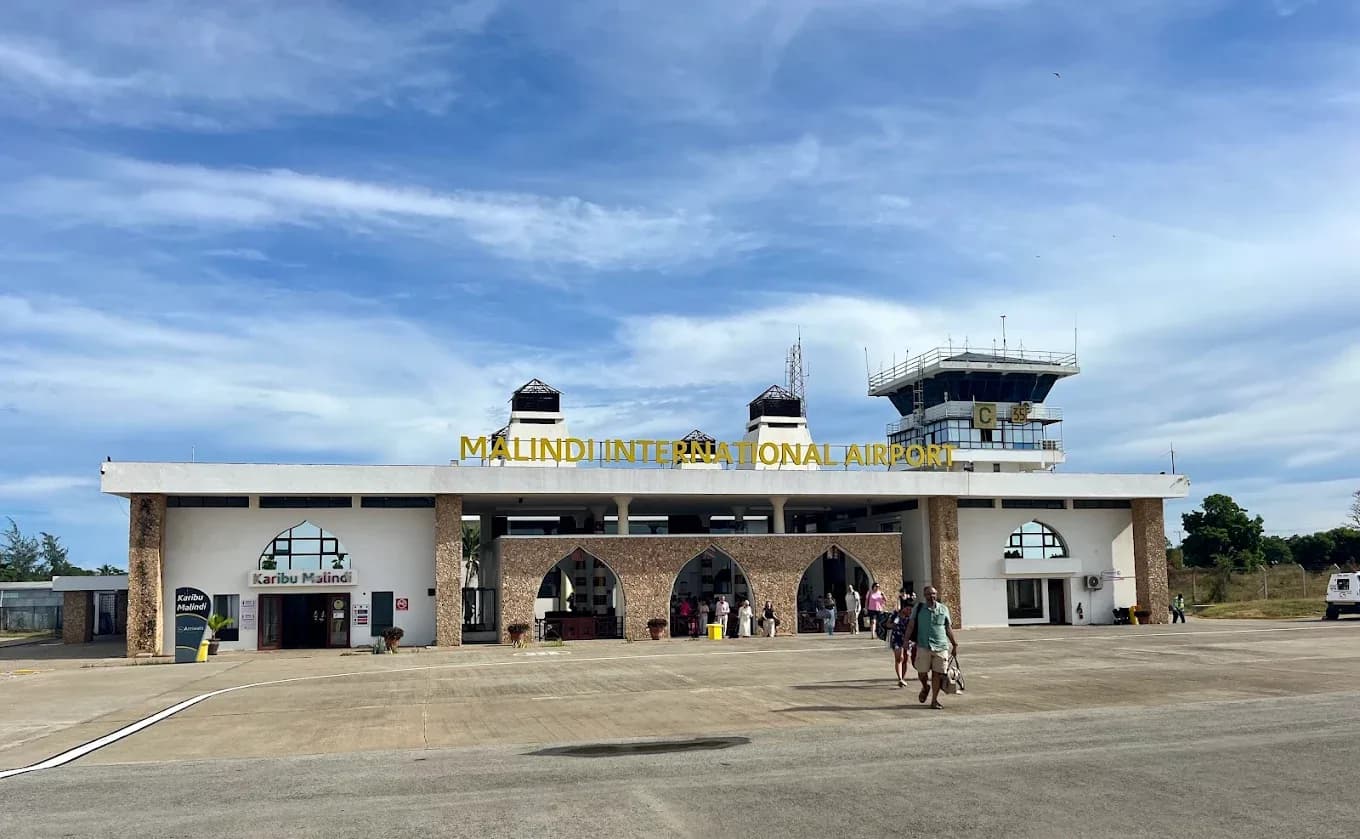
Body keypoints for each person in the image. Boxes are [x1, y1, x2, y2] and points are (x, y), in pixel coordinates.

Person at [903, 586, 958, 710]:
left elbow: (948, 628)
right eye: (928, 594)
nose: (931, 596)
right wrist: (906, 640)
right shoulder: (918, 608)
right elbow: (911, 625)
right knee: (922, 673)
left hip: (941, 646)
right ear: (924, 595)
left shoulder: (943, 609)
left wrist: (954, 644)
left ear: (936, 594)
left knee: (937, 675)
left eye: (933, 594)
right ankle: (925, 686)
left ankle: (934, 700)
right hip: (923, 646)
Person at [888, 603, 914, 687]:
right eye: (907, 609)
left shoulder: (911, 617)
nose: (909, 611)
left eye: (910, 610)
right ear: (903, 608)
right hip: (896, 638)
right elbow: (887, 624)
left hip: (907, 639)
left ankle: (902, 678)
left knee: (905, 658)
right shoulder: (895, 615)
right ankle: (900, 678)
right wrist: (892, 625)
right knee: (899, 658)